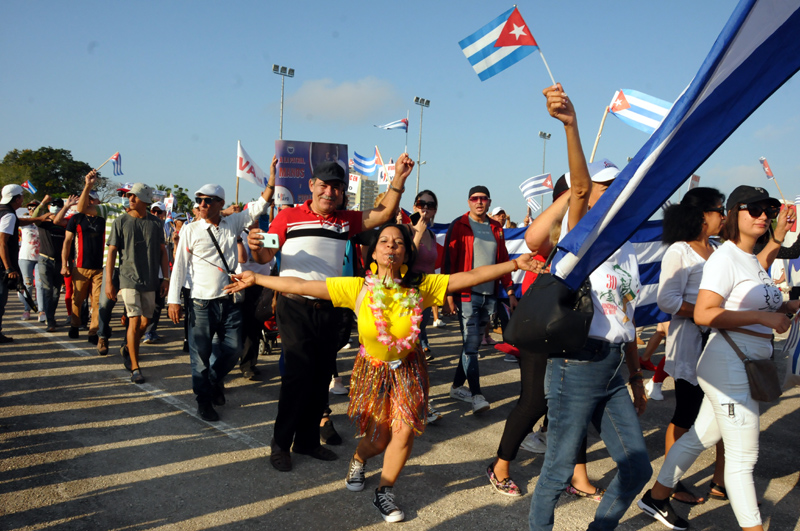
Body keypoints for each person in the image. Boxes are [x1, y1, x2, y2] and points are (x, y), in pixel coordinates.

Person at [226, 222, 541, 523]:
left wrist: (514, 265)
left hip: (408, 369)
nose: (392, 246)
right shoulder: (358, 287)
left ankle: (385, 490)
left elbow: (470, 275)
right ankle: (360, 461)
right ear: (373, 253)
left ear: (406, 254)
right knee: (377, 440)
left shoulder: (422, 286)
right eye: (385, 242)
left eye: (399, 242)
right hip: (372, 371)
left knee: (404, 432)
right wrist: (256, 279)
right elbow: (301, 285)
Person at [638, 185, 798, 531]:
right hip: (726, 361)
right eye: (752, 209)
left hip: (734, 358)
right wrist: (763, 318)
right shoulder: (720, 256)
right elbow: (703, 312)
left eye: (767, 211)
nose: (762, 216)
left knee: (700, 436)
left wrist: (786, 306)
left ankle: (657, 496)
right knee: (743, 456)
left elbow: (753, 293)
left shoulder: (743, 257)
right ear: (731, 215)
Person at [529, 84, 650, 531]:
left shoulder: (628, 249)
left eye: (618, 185)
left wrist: (636, 377)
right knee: (558, 472)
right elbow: (578, 187)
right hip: (575, 366)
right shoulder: (578, 240)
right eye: (606, 186)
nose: (613, 192)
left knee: (637, 468)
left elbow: (627, 320)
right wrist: (572, 125)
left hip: (615, 368)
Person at [247, 154, 413, 472]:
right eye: (324, 185)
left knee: (321, 376)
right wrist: (255, 244)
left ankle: (308, 442)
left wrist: (399, 180)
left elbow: (385, 213)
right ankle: (281, 444)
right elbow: (265, 253)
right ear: (312, 186)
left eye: (337, 187)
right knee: (296, 376)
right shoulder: (287, 217)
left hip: (331, 308)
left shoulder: (344, 220)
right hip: (294, 306)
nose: (330, 192)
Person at [643, 188, 729, 506]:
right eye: (720, 210)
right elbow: (666, 299)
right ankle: (670, 482)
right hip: (691, 344)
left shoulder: (719, 249)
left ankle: (722, 481)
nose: (724, 216)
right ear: (701, 215)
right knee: (686, 414)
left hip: (721, 344)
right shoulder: (679, 251)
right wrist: (705, 313)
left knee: (726, 412)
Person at [167, 173, 275, 422]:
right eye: (199, 200)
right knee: (200, 358)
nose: (202, 205)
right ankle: (204, 401)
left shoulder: (233, 224)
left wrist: (272, 180)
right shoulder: (190, 230)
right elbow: (180, 266)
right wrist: (174, 299)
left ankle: (213, 382)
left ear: (219, 204)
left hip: (230, 301)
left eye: (208, 201)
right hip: (201, 303)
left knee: (234, 349)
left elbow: (260, 204)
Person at [444, 185, 517, 414]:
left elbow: (503, 261)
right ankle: (476, 394)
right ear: (468, 202)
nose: (479, 202)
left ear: (488, 201)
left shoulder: (496, 228)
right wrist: (447, 294)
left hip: (490, 295)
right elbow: (449, 260)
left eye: (483, 199)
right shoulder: (459, 226)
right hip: (466, 295)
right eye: (475, 198)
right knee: (472, 347)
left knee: (471, 343)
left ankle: (457, 387)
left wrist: (511, 292)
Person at [106, 183, 169, 384]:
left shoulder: (156, 224)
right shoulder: (120, 221)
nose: (131, 199)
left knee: (145, 322)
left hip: (150, 280)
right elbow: (112, 253)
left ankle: (128, 346)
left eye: (136, 196)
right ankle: (135, 367)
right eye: (130, 196)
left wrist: (165, 278)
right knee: (134, 320)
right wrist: (110, 281)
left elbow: (163, 252)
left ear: (146, 200)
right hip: (128, 278)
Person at [77, 178, 131, 356]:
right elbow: (82, 209)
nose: (125, 197)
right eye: (122, 194)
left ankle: (128, 342)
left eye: (129, 195)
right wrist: (88, 186)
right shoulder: (110, 209)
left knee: (132, 307)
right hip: (112, 266)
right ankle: (102, 336)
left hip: (133, 268)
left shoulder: (145, 217)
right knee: (105, 303)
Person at [0, 184, 46, 342]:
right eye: (21, 197)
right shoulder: (8, 215)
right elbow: (2, 243)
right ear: (16, 198)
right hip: (2, 266)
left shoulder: (4, 211)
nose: (22, 200)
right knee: (0, 299)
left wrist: (38, 218)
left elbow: (17, 222)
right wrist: (8, 268)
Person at [61, 190, 106, 343]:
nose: (88, 202)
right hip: (80, 266)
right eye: (86, 199)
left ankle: (93, 331)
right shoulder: (76, 218)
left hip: (100, 267)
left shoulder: (104, 219)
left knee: (98, 302)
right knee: (78, 299)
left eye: (91, 200)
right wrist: (64, 264)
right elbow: (67, 242)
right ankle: (75, 324)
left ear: (97, 202)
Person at [33, 195, 76, 332]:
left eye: (58, 204)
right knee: (47, 291)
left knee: (56, 293)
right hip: (45, 260)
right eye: (53, 204)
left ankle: (51, 317)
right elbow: (34, 216)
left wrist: (67, 264)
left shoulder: (65, 224)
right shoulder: (44, 221)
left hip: (59, 263)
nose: (55, 206)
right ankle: (50, 320)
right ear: (48, 206)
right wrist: (43, 202)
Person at [143, 201, 169, 344]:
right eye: (154, 211)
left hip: (162, 272)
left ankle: (150, 331)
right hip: (148, 272)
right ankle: (143, 329)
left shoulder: (169, 228)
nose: (156, 214)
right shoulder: (147, 226)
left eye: (159, 212)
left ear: (164, 214)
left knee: (158, 304)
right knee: (146, 303)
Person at [17, 200, 44, 321]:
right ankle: (27, 310)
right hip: (25, 257)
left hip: (40, 257)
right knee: (27, 285)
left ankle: (41, 311)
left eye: (35, 207)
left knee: (40, 284)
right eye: (30, 207)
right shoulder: (24, 220)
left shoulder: (43, 221)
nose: (32, 209)